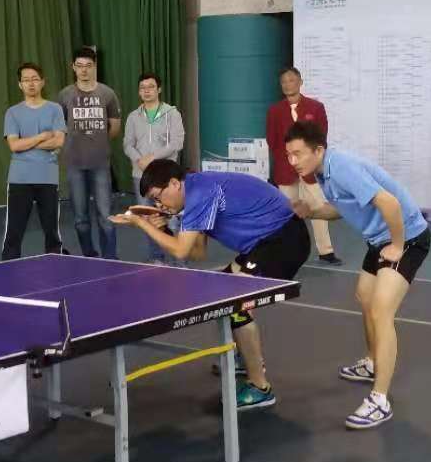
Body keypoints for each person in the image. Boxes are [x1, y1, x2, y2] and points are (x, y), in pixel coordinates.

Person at [115, 159, 311, 412]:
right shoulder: (195, 191)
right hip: (263, 243)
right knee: (224, 292)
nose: (158, 205)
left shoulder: (200, 194)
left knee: (236, 304)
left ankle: (260, 387)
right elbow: (198, 253)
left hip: (283, 241)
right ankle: (247, 357)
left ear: (174, 184)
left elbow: (181, 251)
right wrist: (166, 230)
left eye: (158, 197)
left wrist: (142, 224)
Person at [284, 120, 431, 430]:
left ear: (318, 150)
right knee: (364, 296)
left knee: (381, 311)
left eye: (298, 154)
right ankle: (374, 362)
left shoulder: (340, 167)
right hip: (379, 239)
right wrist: (312, 212)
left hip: (407, 237)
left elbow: (389, 203)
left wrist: (397, 245)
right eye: (289, 155)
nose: (292, 161)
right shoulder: (323, 172)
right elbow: (342, 208)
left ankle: (380, 400)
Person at [266, 67, 340, 265]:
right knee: (287, 213)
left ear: (300, 82)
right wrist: (287, 160)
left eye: (291, 80)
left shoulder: (315, 107)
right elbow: (272, 140)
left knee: (319, 208)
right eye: (284, 81)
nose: (288, 84)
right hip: (285, 171)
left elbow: (321, 137)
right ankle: (287, 250)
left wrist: (310, 161)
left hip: (311, 170)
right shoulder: (274, 111)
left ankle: (326, 252)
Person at [58, 47, 122, 258]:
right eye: (80, 66)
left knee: (106, 216)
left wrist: (97, 141)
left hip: (100, 164)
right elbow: (60, 127)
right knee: (80, 219)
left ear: (95, 66)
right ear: (73, 67)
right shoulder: (64, 95)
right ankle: (89, 257)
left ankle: (110, 259)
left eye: (88, 66)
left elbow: (114, 128)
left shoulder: (107, 94)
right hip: (74, 164)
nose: (84, 70)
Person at [1, 63, 67, 260]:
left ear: (42, 82)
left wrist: (26, 143)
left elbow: (58, 141)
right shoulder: (12, 112)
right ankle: (9, 268)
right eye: (26, 80)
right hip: (19, 179)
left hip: (48, 177)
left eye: (35, 79)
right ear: (20, 84)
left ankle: (56, 265)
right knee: (14, 232)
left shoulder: (55, 109)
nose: (31, 83)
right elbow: (14, 145)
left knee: (52, 231)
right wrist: (42, 137)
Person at [123, 72, 185, 265]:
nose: (146, 91)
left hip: (167, 177)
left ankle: (179, 261)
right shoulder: (133, 117)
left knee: (173, 220)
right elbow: (127, 144)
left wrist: (152, 158)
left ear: (159, 89)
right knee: (148, 219)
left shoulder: (172, 113)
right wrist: (139, 160)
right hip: (140, 176)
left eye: (150, 87)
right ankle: (156, 258)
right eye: (142, 88)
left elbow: (177, 142)